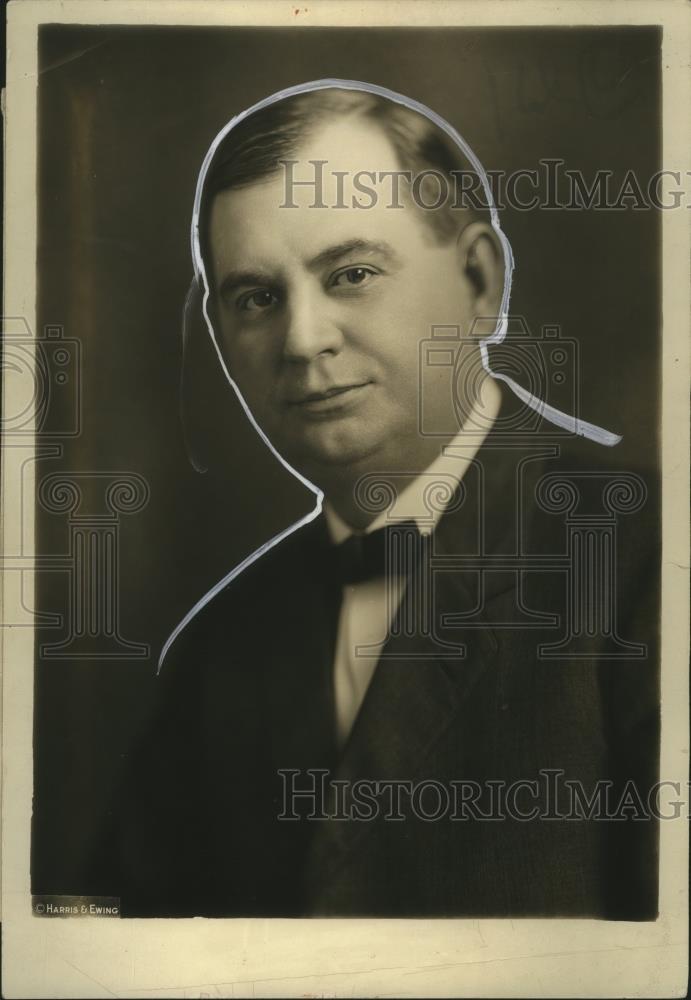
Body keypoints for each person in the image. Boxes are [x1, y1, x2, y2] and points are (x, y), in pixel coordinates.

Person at [118, 82, 659, 918]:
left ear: (481, 281)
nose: (302, 341)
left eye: (352, 273)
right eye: (256, 298)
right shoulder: (215, 652)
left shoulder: (650, 559)